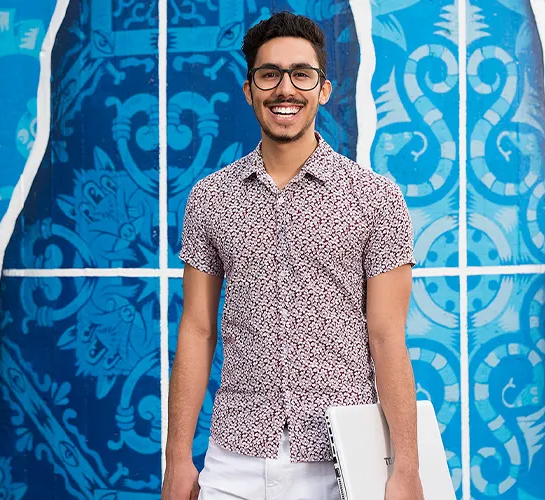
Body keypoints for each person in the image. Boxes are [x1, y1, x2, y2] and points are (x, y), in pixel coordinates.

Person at [161, 11, 422, 500]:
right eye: (269, 74)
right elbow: (197, 327)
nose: (286, 89)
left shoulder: (375, 198)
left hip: (341, 460)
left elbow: (387, 335)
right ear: (249, 90)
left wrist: (406, 465)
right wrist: (178, 459)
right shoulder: (210, 199)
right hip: (233, 459)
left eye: (302, 74)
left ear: (322, 89)